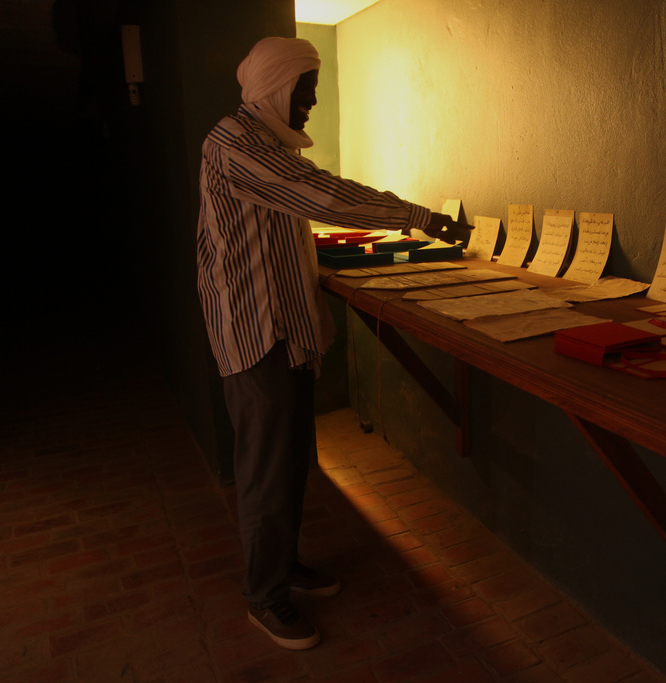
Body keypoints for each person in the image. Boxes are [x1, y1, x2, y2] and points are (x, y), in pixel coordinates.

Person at [196, 36, 467, 650]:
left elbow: (305, 197)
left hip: (284, 327)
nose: (312, 105)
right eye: (307, 92)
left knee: (291, 458)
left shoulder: (264, 143)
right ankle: (263, 597)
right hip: (254, 331)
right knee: (266, 469)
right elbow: (324, 195)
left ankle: (284, 565)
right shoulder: (234, 143)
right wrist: (418, 217)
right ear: (276, 88)